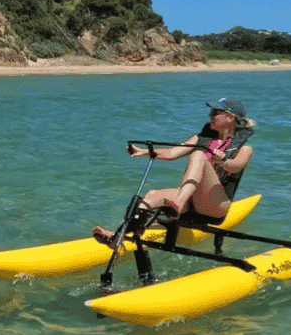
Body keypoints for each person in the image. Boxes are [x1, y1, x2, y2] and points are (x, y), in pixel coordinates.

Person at [93, 98, 255, 243]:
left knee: (198, 154)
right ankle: (118, 236)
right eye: (211, 112)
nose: (210, 115)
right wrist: (144, 152)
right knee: (151, 196)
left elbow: (236, 165)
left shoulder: (245, 148)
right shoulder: (201, 138)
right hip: (190, 201)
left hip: (214, 204)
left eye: (215, 112)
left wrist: (223, 159)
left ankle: (178, 202)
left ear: (231, 117)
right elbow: (172, 153)